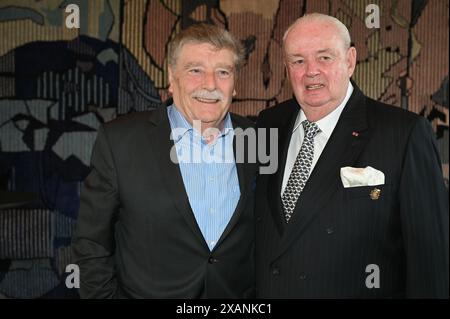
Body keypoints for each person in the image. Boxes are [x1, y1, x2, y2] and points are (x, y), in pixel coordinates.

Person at [255, 13, 449, 298]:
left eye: (324, 57)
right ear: (286, 68)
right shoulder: (268, 124)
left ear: (350, 60)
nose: (311, 71)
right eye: (298, 61)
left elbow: (430, 261)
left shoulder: (403, 133)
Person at [71, 23, 257, 298]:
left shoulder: (257, 139)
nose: (210, 84)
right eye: (196, 70)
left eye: (223, 72)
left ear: (234, 83)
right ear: (171, 76)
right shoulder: (120, 141)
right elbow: (92, 243)